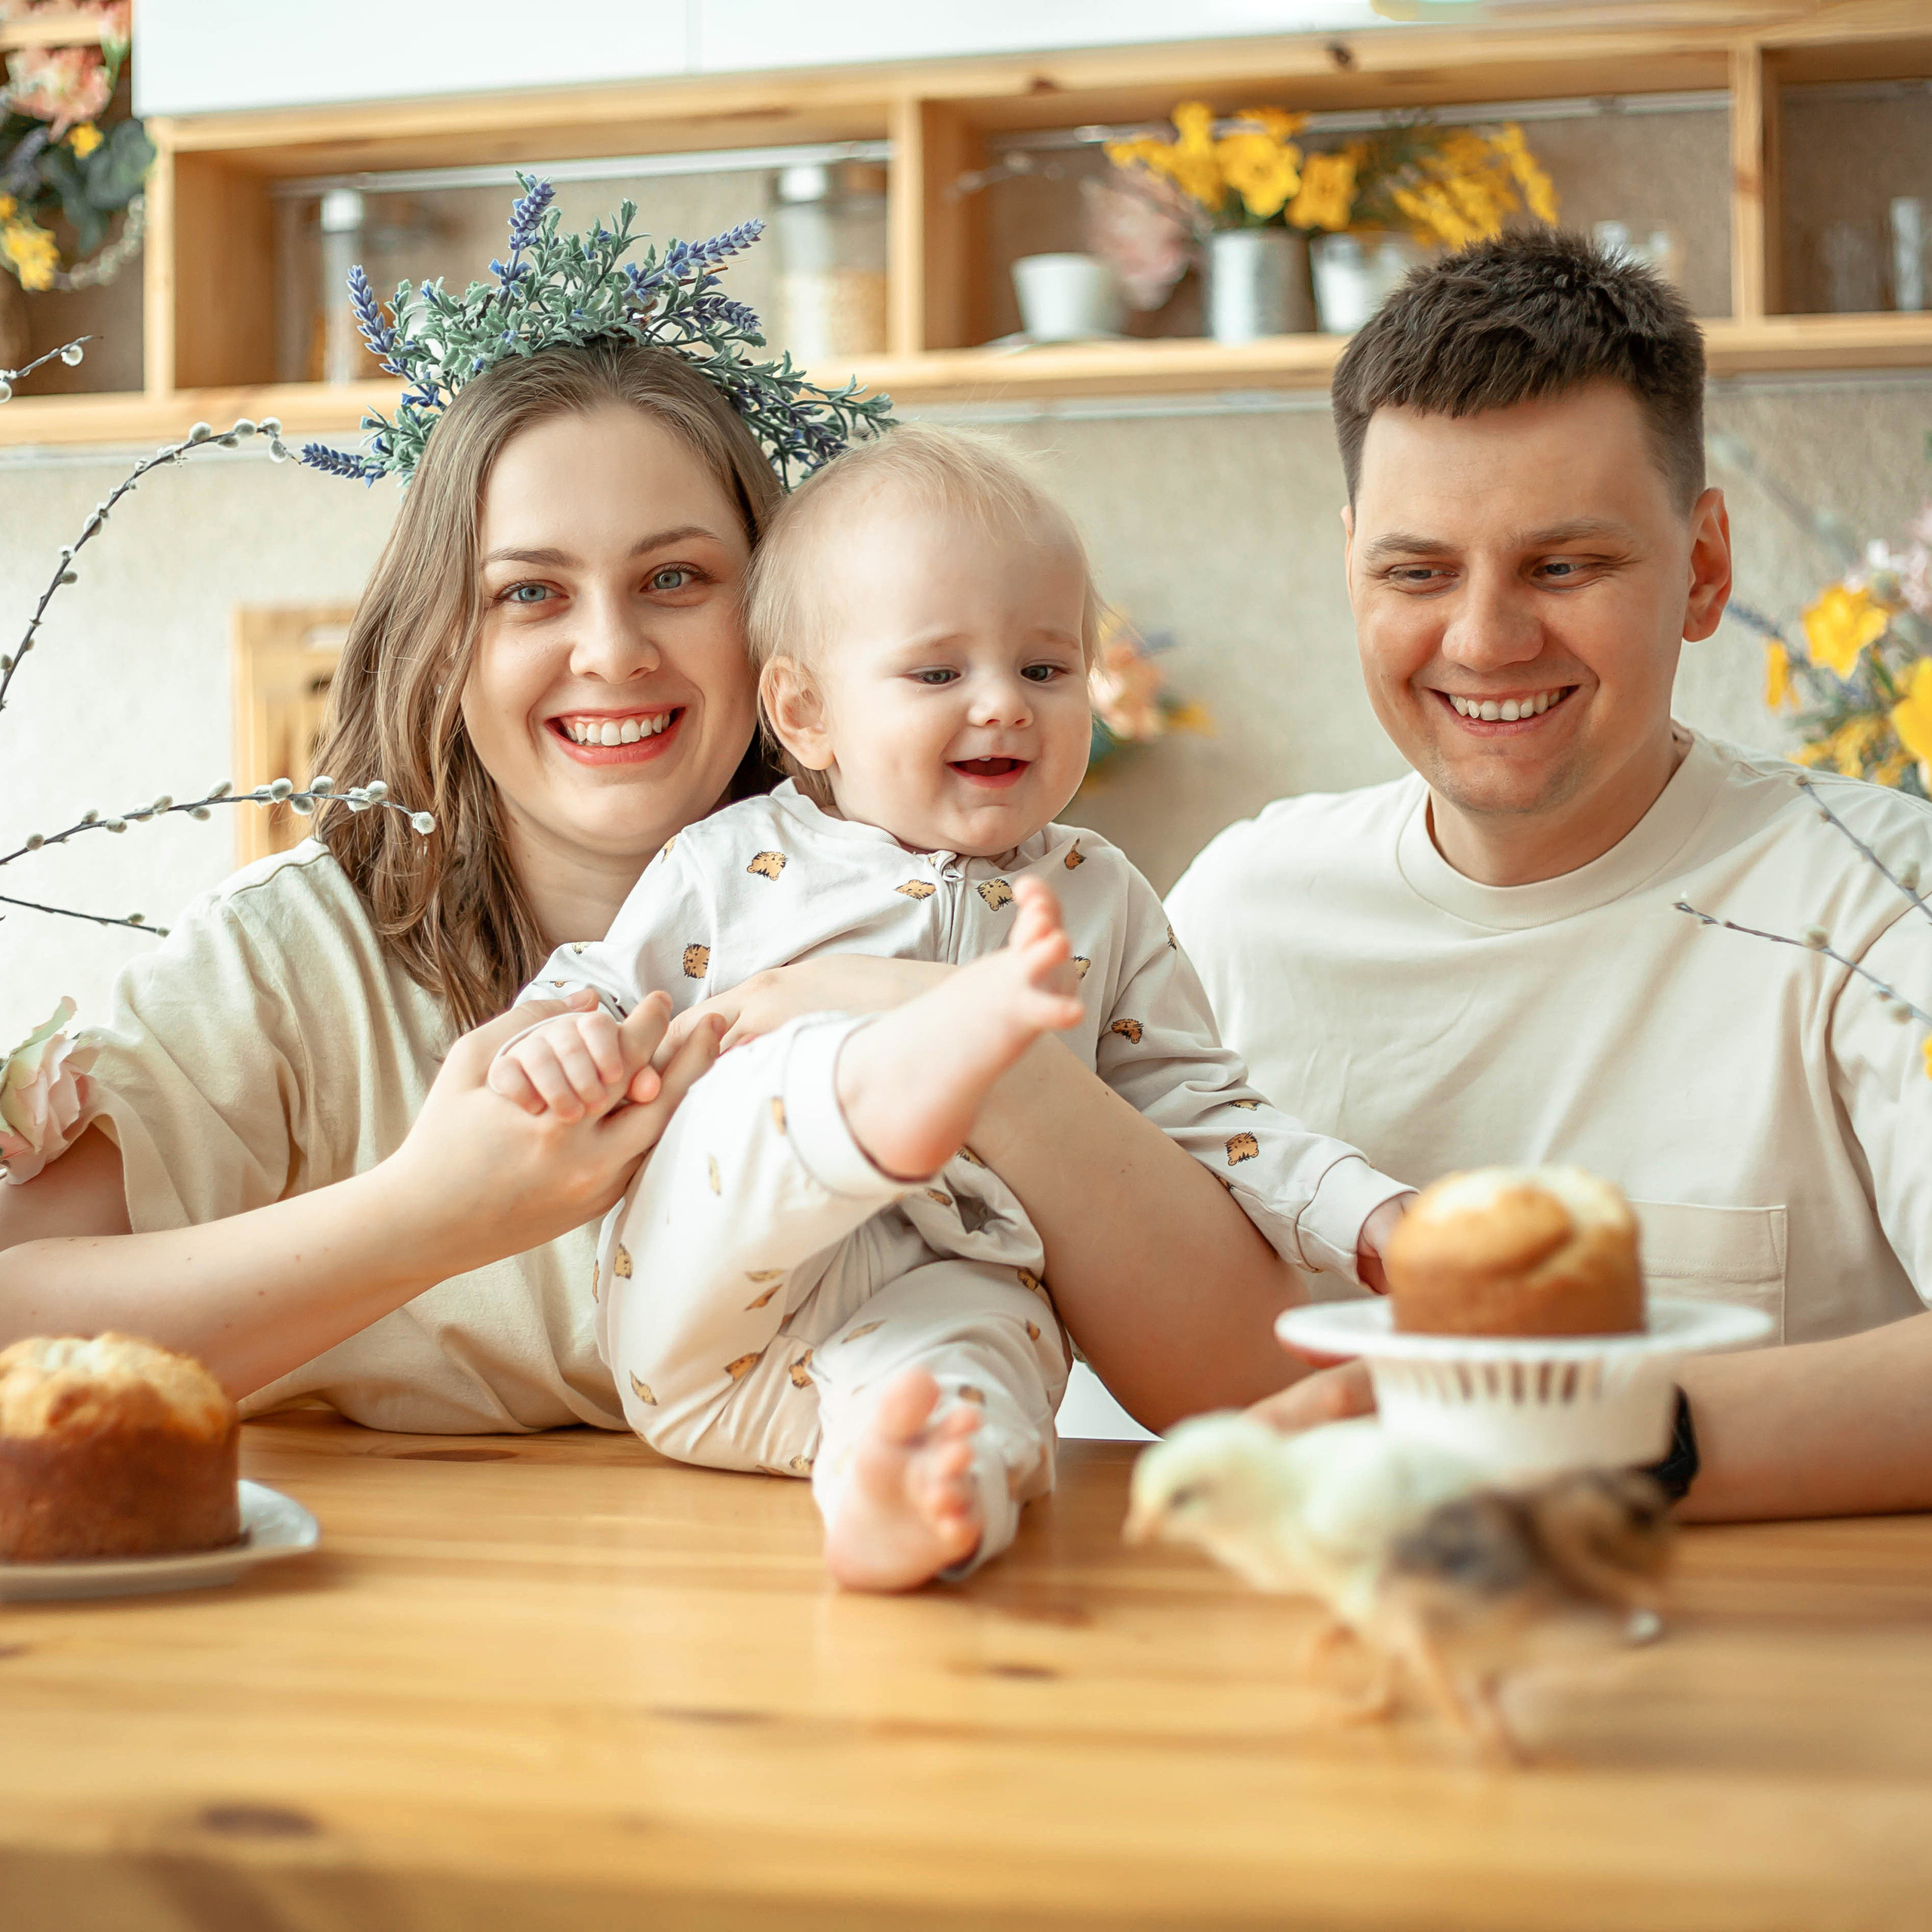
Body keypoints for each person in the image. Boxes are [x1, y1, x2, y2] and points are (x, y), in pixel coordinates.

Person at [0, 197, 1311, 1438]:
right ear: (439, 640)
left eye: (675, 578)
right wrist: (431, 1212)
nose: (613, 650)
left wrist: (976, 1052)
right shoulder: (294, 962)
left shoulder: (993, 916)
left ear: (783, 646)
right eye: (530, 593)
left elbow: (1244, 1379)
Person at [489, 427, 1408, 1585]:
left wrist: (1367, 1214)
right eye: (938, 674)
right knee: (759, 1080)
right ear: (807, 712)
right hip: (709, 1314)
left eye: (1044, 668)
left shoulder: (1097, 897)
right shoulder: (733, 861)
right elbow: (600, 989)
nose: (1002, 707)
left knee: (990, 1361)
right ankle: (900, 1070)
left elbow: (1202, 1113)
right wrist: (558, 1042)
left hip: (857, 1370)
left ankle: (911, 1505)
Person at [1167, 229, 1932, 1521]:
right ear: (1350, 566)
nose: (1485, 640)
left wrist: (1575, 1437)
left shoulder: (1876, 898)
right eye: (1416, 572)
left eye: (1563, 567)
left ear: (1702, 569)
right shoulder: (1235, 913)